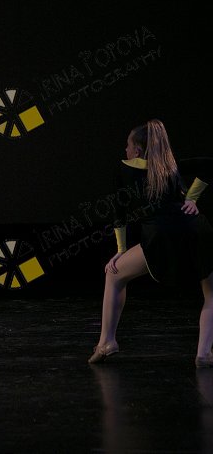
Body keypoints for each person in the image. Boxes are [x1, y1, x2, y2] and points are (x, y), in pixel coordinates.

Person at [88, 119, 213, 366]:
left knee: (113, 275)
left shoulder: (124, 169)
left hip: (161, 236)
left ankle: (107, 342)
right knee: (211, 292)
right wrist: (192, 198)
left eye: (127, 145)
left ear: (136, 150)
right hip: (196, 229)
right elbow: (210, 164)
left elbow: (119, 215)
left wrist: (121, 250)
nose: (125, 149)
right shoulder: (171, 167)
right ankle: (203, 353)